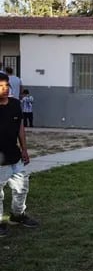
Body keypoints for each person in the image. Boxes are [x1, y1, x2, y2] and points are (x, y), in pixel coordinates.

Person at [0, 72, 38, 237]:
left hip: (15, 155)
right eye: (0, 86)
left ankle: (18, 215)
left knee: (22, 188)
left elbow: (20, 128)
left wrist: (24, 149)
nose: (5, 89)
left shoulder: (15, 104)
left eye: (6, 85)